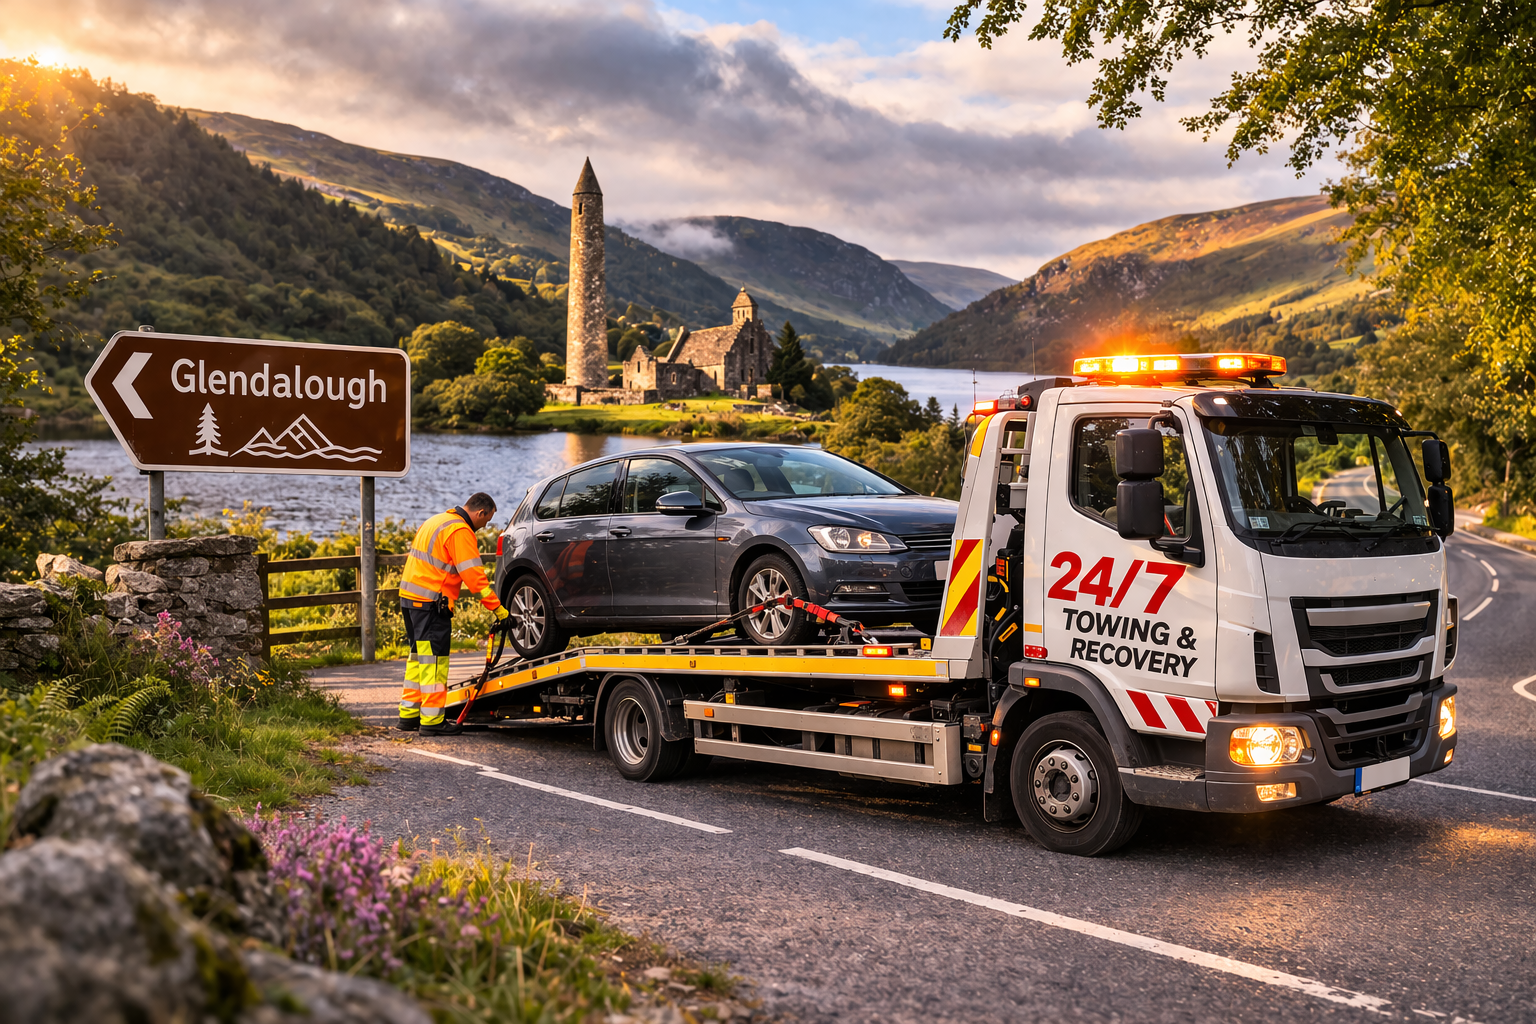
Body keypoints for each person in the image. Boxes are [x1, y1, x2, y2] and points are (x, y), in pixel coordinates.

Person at [397, 492, 507, 735]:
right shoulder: (460, 531)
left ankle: (408, 715)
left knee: (418, 659)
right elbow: (474, 577)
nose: (484, 526)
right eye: (486, 521)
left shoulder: (435, 521)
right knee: (434, 663)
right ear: (481, 513)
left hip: (410, 599)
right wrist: (498, 609)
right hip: (432, 604)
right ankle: (432, 722)